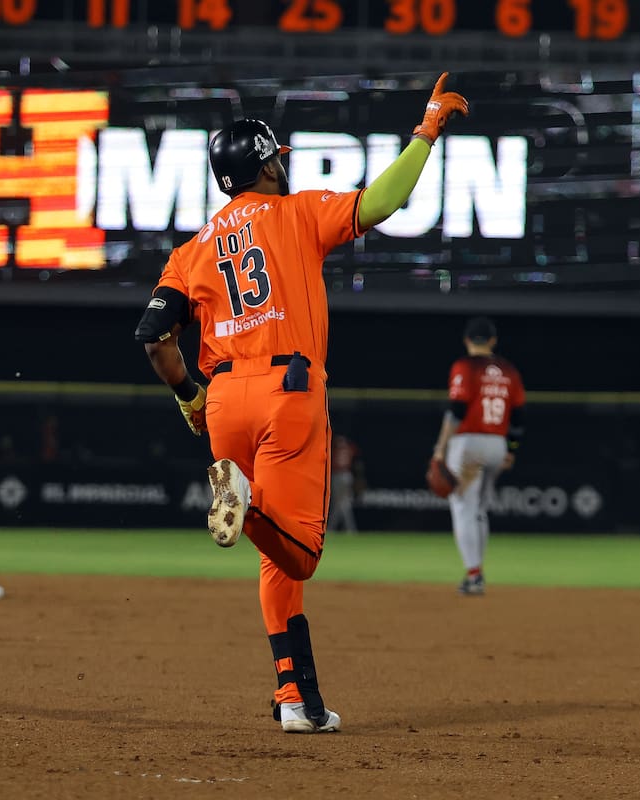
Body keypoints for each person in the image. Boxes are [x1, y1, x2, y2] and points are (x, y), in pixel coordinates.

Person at [135, 74, 469, 734]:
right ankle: (245, 504)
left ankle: (298, 701)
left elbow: (152, 338)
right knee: (302, 553)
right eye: (277, 158)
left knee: (273, 559)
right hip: (288, 392)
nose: (283, 165)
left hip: (224, 399)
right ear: (263, 165)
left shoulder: (191, 251)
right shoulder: (297, 214)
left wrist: (188, 397)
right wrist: (426, 130)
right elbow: (384, 201)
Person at [429, 316, 525, 596]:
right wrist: (512, 449)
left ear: (467, 341)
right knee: (480, 509)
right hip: (497, 444)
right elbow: (519, 417)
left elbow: (457, 410)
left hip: (469, 443)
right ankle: (477, 571)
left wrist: (440, 447)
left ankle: (474, 575)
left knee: (463, 507)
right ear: (493, 341)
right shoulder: (509, 371)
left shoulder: (464, 366)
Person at [326, 434, 362, 534]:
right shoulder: (349, 448)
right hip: (346, 475)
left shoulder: (335, 449)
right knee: (343, 503)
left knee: (340, 504)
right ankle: (349, 529)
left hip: (339, 475)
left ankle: (333, 529)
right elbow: (357, 452)